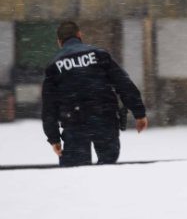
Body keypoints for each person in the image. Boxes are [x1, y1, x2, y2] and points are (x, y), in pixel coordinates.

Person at [41, 21, 148, 166]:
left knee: (75, 173)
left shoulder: (54, 66)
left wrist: (54, 138)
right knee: (108, 169)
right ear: (79, 35)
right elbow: (123, 83)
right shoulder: (99, 54)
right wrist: (139, 113)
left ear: (59, 42)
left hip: (74, 123)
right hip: (104, 118)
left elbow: (49, 106)